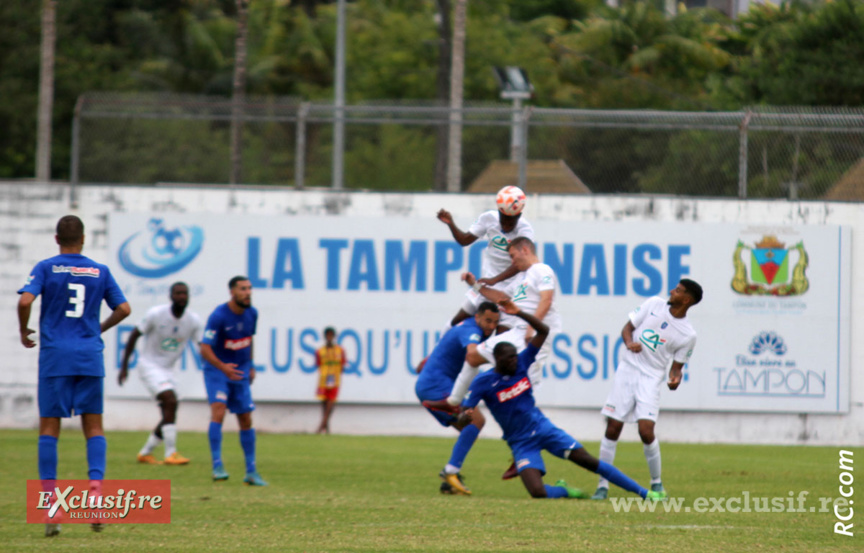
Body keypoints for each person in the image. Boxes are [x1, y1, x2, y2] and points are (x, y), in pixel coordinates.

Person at [451, 299, 663, 501]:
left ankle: (644, 493)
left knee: (588, 461)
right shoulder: (483, 382)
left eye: (516, 356)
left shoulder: (523, 361)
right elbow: (465, 415)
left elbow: (544, 331)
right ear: (498, 360)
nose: (515, 360)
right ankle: (565, 490)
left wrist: (520, 313)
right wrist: (464, 417)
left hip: (543, 428)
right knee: (537, 492)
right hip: (520, 442)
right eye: (510, 358)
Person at [18, 215, 131, 537]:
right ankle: (95, 498)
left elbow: (25, 300)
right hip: (88, 356)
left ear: (57, 238)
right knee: (93, 426)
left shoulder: (46, 267)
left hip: (55, 357)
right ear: (83, 239)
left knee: (49, 427)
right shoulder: (100, 271)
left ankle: (53, 505)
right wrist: (97, 328)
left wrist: (23, 328)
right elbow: (124, 309)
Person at [591, 279, 702, 500]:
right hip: (628, 370)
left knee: (646, 431)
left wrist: (674, 379)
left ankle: (657, 484)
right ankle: (602, 486)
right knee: (613, 428)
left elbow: (677, 369)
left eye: (678, 291)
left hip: (651, 379)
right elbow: (628, 328)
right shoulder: (653, 304)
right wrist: (629, 343)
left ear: (687, 300)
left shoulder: (688, 335)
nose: (672, 290)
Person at [415, 302, 501, 495]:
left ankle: (450, 480)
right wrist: (501, 357)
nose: (491, 326)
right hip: (436, 386)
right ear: (477, 317)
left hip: (430, 384)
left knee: (468, 429)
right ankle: (450, 471)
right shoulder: (471, 330)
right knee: (477, 420)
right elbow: (472, 354)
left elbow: (446, 349)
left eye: (495, 322)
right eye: (487, 320)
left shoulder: (465, 327)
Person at [118, 281, 203, 465]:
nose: (182, 297)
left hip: (168, 370)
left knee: (169, 410)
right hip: (149, 366)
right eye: (178, 293)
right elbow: (134, 335)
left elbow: (202, 346)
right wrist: (124, 366)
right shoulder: (156, 314)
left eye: (185, 293)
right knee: (170, 401)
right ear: (171, 296)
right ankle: (171, 453)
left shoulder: (193, 320)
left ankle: (145, 453)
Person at [199, 276, 267, 486]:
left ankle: (251, 471)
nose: (247, 293)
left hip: (240, 370)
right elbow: (204, 348)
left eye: (249, 288)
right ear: (232, 292)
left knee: (245, 418)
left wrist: (252, 364)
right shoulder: (218, 316)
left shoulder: (252, 313)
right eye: (243, 289)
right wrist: (223, 367)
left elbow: (249, 339)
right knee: (218, 410)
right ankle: (217, 465)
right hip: (218, 369)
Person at [436, 185, 534, 329]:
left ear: (519, 215)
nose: (506, 225)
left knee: (501, 341)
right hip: (487, 284)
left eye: (510, 220)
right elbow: (464, 240)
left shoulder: (525, 230)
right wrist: (451, 224)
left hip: (510, 289)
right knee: (452, 326)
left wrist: (495, 280)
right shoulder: (488, 218)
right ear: (499, 212)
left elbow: (521, 264)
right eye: (503, 218)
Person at [315, 327, 346, 434]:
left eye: (331, 335)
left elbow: (343, 364)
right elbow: (318, 364)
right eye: (327, 335)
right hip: (323, 380)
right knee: (324, 404)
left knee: (331, 403)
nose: (329, 337)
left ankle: (321, 426)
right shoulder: (320, 351)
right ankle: (327, 429)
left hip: (334, 379)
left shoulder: (340, 350)